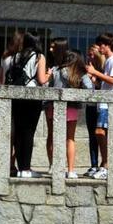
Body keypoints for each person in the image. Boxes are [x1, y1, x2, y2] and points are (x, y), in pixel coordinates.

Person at [10, 32, 49, 178]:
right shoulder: (39, 56)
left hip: (16, 95)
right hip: (32, 97)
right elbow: (41, 79)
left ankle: (21, 168)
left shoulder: (15, 56)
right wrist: (49, 75)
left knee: (19, 132)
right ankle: (26, 168)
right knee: (28, 132)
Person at [49, 50, 93, 179]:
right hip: (71, 108)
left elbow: (49, 86)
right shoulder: (80, 72)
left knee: (55, 138)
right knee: (70, 139)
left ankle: (56, 168)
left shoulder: (55, 70)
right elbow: (89, 88)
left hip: (54, 107)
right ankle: (71, 170)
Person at [86, 33, 113, 180]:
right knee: (101, 133)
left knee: (100, 132)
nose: (99, 47)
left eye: (101, 44)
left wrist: (95, 72)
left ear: (108, 45)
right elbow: (107, 84)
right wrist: (96, 79)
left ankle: (107, 165)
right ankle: (104, 164)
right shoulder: (109, 61)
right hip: (103, 103)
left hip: (108, 104)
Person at [0, 32, 24, 175]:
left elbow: (0, 80)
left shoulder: (5, 57)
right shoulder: (23, 58)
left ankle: (7, 164)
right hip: (20, 99)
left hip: (7, 99)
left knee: (9, 134)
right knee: (20, 134)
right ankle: (16, 164)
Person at [45, 37, 70, 168]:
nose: (50, 49)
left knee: (66, 136)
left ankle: (64, 165)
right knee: (51, 134)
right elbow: (46, 87)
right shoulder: (53, 67)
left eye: (53, 47)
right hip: (51, 105)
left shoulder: (68, 67)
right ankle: (52, 164)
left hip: (67, 106)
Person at [84, 44, 105, 177]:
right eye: (88, 54)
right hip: (90, 105)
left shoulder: (103, 68)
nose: (89, 57)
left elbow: (103, 86)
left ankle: (103, 165)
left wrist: (94, 77)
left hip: (101, 106)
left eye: (91, 54)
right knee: (92, 136)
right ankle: (93, 165)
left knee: (100, 135)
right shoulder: (89, 67)